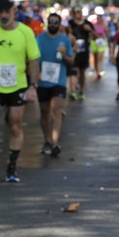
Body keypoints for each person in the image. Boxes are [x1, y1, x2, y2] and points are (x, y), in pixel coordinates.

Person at [0, 0, 41, 183]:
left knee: (15, 125)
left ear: (14, 12)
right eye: (0, 12)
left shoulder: (26, 32)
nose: (3, 16)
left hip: (17, 86)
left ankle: (11, 168)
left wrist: (32, 86)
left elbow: (33, 60)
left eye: (7, 12)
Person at [36, 13, 74, 156]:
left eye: (55, 22)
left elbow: (71, 60)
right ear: (47, 23)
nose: (53, 25)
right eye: (50, 22)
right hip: (43, 80)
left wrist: (64, 56)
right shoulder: (39, 39)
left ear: (59, 24)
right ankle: (46, 140)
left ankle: (54, 142)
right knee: (44, 112)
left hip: (59, 81)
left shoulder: (65, 40)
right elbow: (33, 58)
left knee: (57, 110)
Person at [68, 6, 97, 100]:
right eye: (76, 12)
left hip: (84, 50)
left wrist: (90, 30)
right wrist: (70, 35)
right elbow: (65, 33)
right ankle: (72, 90)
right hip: (73, 50)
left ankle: (81, 90)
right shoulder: (70, 23)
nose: (78, 14)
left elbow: (96, 36)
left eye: (79, 12)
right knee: (73, 70)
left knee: (82, 71)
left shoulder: (87, 23)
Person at [90, 9, 108, 80]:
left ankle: (99, 71)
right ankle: (96, 70)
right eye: (97, 18)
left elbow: (106, 34)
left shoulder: (104, 26)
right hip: (94, 43)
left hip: (101, 43)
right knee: (95, 57)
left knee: (99, 57)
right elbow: (91, 34)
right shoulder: (94, 26)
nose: (98, 19)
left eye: (99, 18)